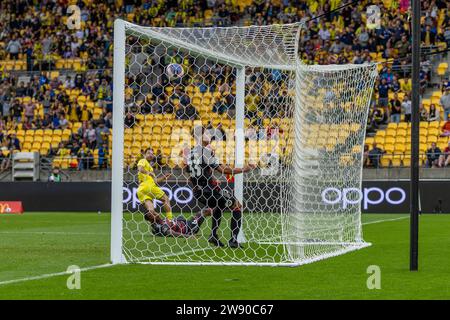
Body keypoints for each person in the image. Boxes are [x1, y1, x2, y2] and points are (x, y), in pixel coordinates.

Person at [187, 128, 256, 248]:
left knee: (219, 206)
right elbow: (225, 170)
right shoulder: (206, 152)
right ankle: (233, 240)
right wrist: (245, 169)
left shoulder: (191, 153)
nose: (210, 135)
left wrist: (210, 178)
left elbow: (192, 174)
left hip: (199, 192)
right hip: (210, 190)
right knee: (237, 206)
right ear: (200, 136)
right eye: (207, 133)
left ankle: (213, 235)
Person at [137, 148, 173, 226]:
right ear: (144, 154)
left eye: (152, 154)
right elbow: (140, 169)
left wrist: (164, 177)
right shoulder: (143, 161)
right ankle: (170, 220)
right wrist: (148, 172)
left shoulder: (150, 167)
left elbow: (155, 181)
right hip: (148, 186)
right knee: (166, 199)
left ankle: (156, 226)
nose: (151, 155)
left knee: (151, 211)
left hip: (141, 190)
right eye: (149, 153)